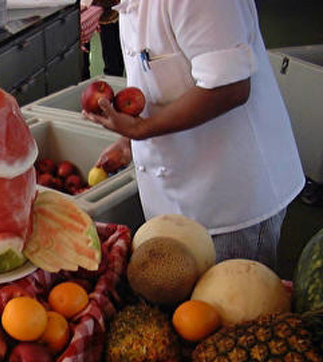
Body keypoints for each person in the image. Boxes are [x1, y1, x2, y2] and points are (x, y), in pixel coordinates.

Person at [83, 0, 305, 271]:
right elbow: (153, 75)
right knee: (190, 306)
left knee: (234, 305)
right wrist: (128, 141)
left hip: (230, 199)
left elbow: (230, 87)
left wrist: (141, 130)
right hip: (177, 197)